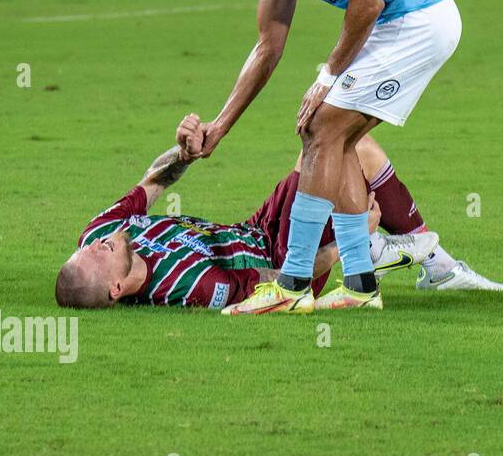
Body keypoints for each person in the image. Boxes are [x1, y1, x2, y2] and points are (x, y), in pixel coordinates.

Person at [187, 0, 462, 314]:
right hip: (391, 24)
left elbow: (367, 0)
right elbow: (267, 46)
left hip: (417, 18)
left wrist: (327, 77)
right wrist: (220, 125)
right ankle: (359, 286)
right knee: (336, 140)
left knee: (320, 127)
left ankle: (292, 285)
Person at [54, 118, 438, 312]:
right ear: (116, 290)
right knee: (339, 144)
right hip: (287, 259)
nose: (97, 244)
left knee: (327, 143)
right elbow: (281, 284)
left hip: (256, 227)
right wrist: (345, 244)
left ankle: (426, 263)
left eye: (89, 247)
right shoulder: (190, 287)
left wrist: (184, 155)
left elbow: (152, 183)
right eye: (100, 254)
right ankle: (401, 258)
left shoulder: (104, 230)